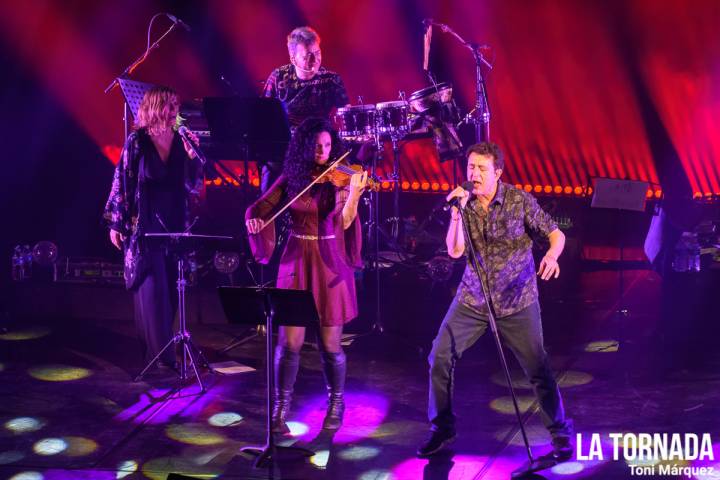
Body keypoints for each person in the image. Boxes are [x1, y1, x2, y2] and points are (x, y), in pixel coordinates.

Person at [417, 142, 573, 459]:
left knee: (538, 368)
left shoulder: (519, 201)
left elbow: (556, 234)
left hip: (517, 299)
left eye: (482, 169)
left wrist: (553, 256)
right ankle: (442, 427)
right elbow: (455, 251)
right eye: (471, 167)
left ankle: (559, 433)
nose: (474, 174)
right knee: (440, 356)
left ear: (497, 172)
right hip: (473, 298)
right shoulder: (464, 204)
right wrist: (457, 215)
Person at [245, 118, 366, 432]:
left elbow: (346, 221)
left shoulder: (341, 179)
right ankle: (280, 409)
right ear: (303, 147)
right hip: (297, 260)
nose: (323, 152)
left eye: (327, 146)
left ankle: (336, 403)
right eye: (316, 146)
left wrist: (353, 194)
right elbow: (263, 207)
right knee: (289, 344)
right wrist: (256, 221)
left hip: (330, 263)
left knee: (330, 345)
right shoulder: (292, 177)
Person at [103, 86, 203, 369]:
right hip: (144, 226)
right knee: (152, 290)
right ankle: (162, 360)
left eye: (176, 106)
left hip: (174, 226)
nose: (174, 112)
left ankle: (163, 351)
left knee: (172, 291)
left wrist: (193, 157)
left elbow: (193, 187)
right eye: (169, 106)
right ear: (154, 107)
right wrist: (117, 224)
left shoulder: (181, 140)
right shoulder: (138, 140)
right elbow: (121, 179)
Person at [260, 26, 349, 192]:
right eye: (308, 55)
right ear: (293, 59)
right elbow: (263, 114)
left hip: (319, 149)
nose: (315, 59)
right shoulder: (278, 77)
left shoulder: (331, 80)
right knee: (269, 190)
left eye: (318, 52)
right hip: (284, 148)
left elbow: (347, 114)